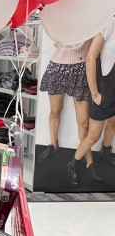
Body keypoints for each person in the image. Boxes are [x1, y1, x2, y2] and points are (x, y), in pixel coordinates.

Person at [68, 15, 115, 185]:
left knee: (113, 122)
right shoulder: (109, 24)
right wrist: (95, 93)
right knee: (93, 135)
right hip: (106, 87)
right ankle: (73, 163)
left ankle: (106, 150)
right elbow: (90, 58)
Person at [38, 40, 91, 163]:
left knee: (83, 121)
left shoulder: (92, 21)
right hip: (57, 66)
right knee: (55, 111)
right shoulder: (62, 21)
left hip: (81, 68)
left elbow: (79, 46)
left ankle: (81, 154)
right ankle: (53, 145)